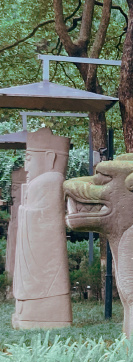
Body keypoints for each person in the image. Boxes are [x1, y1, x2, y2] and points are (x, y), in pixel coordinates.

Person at [12, 128, 71, 328]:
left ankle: (39, 316)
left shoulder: (51, 180)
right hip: (35, 254)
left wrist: (23, 210)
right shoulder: (41, 182)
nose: (26, 167)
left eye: (29, 158)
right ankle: (27, 313)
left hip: (44, 257)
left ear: (50, 157)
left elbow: (42, 220)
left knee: (39, 280)